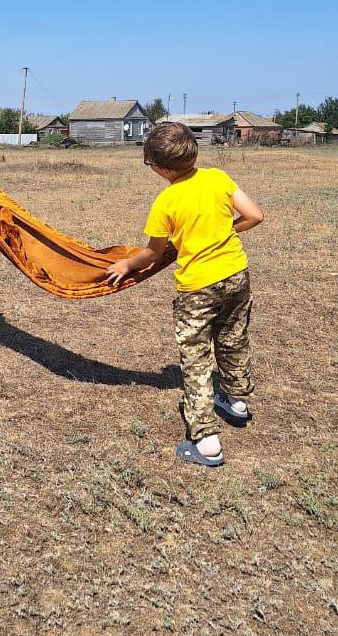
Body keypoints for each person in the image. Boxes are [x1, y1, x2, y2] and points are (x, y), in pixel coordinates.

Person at [105, 122, 264, 466]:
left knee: (195, 359)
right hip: (236, 275)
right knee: (233, 339)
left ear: (162, 169)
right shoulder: (218, 178)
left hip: (198, 288)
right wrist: (226, 231)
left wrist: (126, 265)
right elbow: (255, 215)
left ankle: (206, 441)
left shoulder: (166, 201)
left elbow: (153, 253)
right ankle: (236, 402)